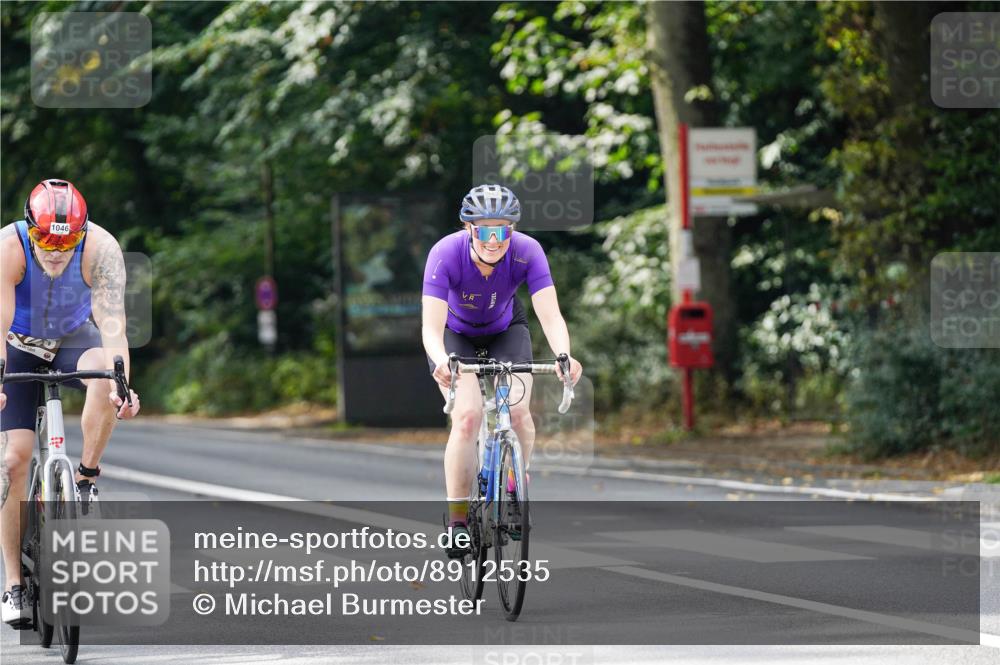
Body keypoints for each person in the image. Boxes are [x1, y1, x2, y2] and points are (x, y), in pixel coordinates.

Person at [0, 179, 140, 628]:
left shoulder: (102, 249)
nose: (56, 251)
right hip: (16, 344)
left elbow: (113, 324)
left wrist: (122, 384)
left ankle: (85, 477)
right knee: (16, 459)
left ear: (81, 233)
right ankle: (13, 583)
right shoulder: (8, 248)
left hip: (69, 339)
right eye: (45, 239)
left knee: (103, 374)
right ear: (29, 229)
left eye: (66, 241)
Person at [421, 184, 582, 557]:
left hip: (506, 331)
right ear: (468, 229)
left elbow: (551, 314)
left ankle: (513, 486)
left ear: (513, 229)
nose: (494, 240)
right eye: (484, 231)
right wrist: (441, 359)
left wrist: (564, 354)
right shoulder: (445, 254)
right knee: (467, 418)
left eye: (503, 230)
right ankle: (459, 520)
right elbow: (430, 328)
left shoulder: (528, 252)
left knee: (521, 413)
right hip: (455, 337)